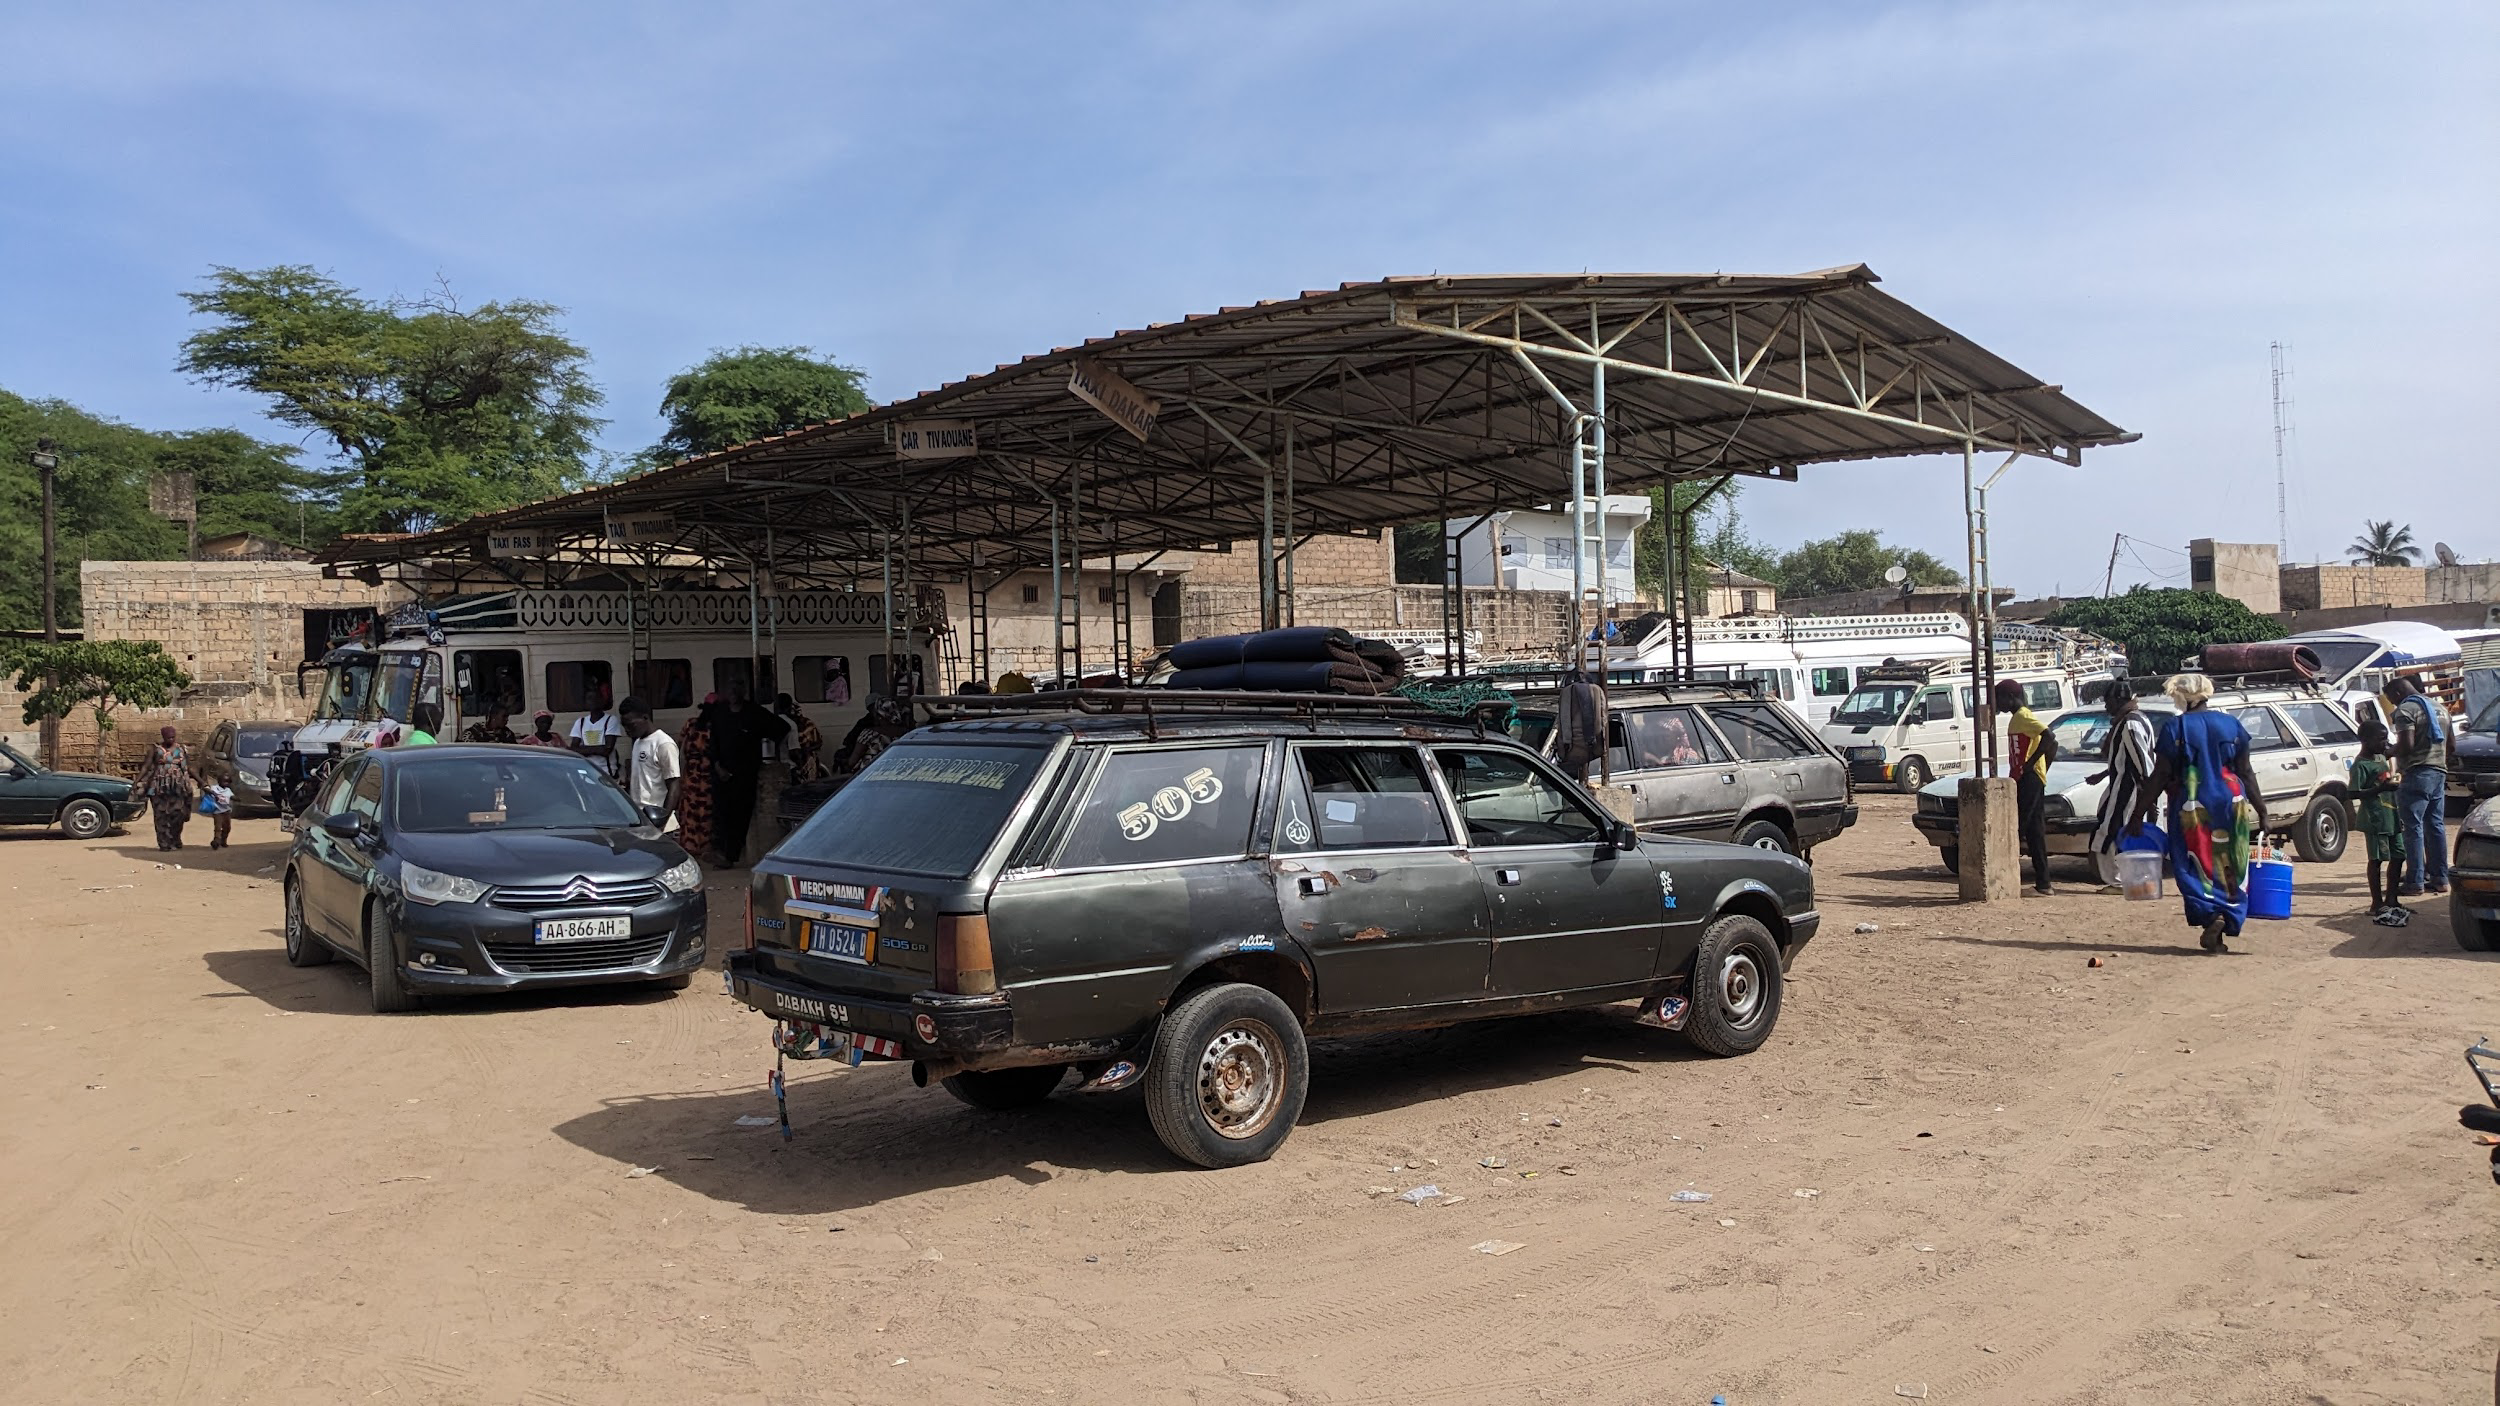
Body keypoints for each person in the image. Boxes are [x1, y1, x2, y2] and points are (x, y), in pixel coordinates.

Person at [2133, 672, 2268, 953]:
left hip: (2191, 804)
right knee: (2230, 860)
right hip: (2233, 802)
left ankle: (2211, 915)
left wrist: (2137, 814)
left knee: (2192, 862)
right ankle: (2224, 918)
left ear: (2180, 697)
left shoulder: (2175, 728)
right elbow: (2245, 771)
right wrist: (2262, 810)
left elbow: (2160, 775)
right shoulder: (2232, 725)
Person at [2085, 684, 2157, 891]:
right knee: (2115, 830)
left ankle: (2119, 882)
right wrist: (2103, 774)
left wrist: (2147, 796)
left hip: (2129, 789)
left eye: (2108, 701)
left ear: (2118, 701)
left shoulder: (2130, 724)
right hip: (2124, 785)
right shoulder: (2134, 719)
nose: (2106, 706)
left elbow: (2142, 762)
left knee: (2111, 832)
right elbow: (2124, 758)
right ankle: (2128, 879)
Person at [709, 682, 787, 867]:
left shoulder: (754, 713)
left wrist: (772, 755)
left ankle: (730, 857)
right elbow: (713, 743)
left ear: (744, 693)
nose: (734, 694)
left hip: (746, 774)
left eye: (737, 690)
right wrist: (718, 766)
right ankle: (719, 852)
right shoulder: (720, 714)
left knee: (740, 815)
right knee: (721, 814)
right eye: (731, 690)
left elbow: (781, 729)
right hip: (722, 774)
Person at [2386, 676, 2450, 899]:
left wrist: (2390, 751)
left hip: (2416, 773)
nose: (2393, 705)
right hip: (2438, 772)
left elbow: (2407, 744)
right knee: (2435, 825)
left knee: (2412, 828)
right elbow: (2451, 745)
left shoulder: (2406, 710)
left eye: (2391, 700)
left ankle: (2414, 882)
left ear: (2396, 694)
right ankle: (2440, 878)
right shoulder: (2440, 708)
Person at [1998, 679, 2060, 896]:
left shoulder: (2024, 716)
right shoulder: (2016, 719)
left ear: (2010, 698)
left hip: (2029, 779)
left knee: (2019, 826)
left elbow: (2050, 738)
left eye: (1999, 699)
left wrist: (2032, 764)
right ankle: (2044, 883)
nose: (1997, 704)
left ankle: (2004, 878)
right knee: (2034, 832)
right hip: (2025, 777)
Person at [2348, 720, 2406, 925]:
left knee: (2399, 855)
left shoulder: (2381, 756)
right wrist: (2381, 789)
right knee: (2377, 859)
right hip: (2374, 819)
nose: (2384, 743)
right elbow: (2353, 792)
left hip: (2391, 815)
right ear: (2365, 740)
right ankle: (2376, 902)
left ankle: (2392, 897)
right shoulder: (2360, 765)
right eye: (2380, 739)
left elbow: (2399, 748)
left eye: (2385, 739)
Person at [618, 697, 682, 833]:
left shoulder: (663, 744)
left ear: (645, 717)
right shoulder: (637, 742)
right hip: (640, 820)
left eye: (630, 725)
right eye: (624, 726)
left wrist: (661, 820)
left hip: (659, 824)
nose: (627, 731)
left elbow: (674, 785)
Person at [136, 726, 195, 851]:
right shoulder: (155, 749)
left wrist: (201, 782)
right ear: (163, 737)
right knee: (161, 815)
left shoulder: (181, 749)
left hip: (178, 786)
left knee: (178, 814)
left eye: (173, 737)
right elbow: (146, 767)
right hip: (158, 786)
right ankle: (164, 843)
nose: (171, 740)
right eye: (168, 737)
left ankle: (175, 839)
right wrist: (137, 781)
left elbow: (189, 767)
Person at [676, 697, 719, 861]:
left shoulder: (690, 724)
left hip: (692, 774)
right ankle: (704, 846)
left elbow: (679, 745)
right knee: (706, 811)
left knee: (690, 810)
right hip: (707, 774)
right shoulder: (714, 726)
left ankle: (691, 845)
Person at [570, 686, 623, 778]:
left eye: (596, 698)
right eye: (589, 698)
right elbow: (573, 749)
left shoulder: (611, 720)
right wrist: (598, 749)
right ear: (585, 703)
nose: (593, 701)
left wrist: (584, 749)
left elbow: (607, 750)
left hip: (606, 771)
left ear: (602, 701)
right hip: (586, 769)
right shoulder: (580, 722)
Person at [777, 693, 825, 782]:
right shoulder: (791, 725)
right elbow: (794, 751)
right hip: (792, 765)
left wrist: (807, 750)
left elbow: (818, 742)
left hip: (794, 763)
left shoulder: (807, 724)